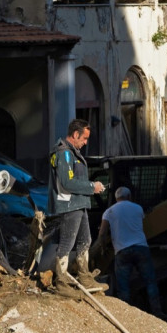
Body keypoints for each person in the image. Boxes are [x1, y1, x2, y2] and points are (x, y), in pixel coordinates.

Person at [47, 118, 106, 297]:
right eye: (84, 138)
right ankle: (61, 282)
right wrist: (92, 187)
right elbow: (67, 182)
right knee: (67, 243)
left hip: (79, 203)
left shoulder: (72, 153)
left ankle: (84, 277)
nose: (86, 143)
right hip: (69, 205)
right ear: (75, 134)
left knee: (85, 240)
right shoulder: (64, 153)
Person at [96, 186, 165, 317]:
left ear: (116, 198)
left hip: (122, 251)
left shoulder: (109, 212)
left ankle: (127, 316)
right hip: (141, 248)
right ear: (129, 196)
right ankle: (157, 312)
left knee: (123, 286)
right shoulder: (138, 208)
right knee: (150, 281)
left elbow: (102, 233)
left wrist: (103, 248)